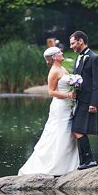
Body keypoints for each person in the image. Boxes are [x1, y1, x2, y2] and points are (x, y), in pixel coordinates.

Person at [18, 46, 79, 176]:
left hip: (68, 105)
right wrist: (68, 95)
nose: (62, 53)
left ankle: (68, 166)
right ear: (53, 57)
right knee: (59, 133)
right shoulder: (53, 71)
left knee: (68, 133)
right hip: (60, 106)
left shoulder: (62, 68)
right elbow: (51, 92)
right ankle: (54, 166)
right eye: (59, 52)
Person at [70, 31, 98, 170]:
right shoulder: (79, 58)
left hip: (88, 101)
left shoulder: (94, 58)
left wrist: (93, 103)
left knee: (78, 130)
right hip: (80, 100)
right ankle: (85, 161)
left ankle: (90, 159)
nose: (71, 46)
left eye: (73, 43)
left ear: (81, 41)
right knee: (81, 131)